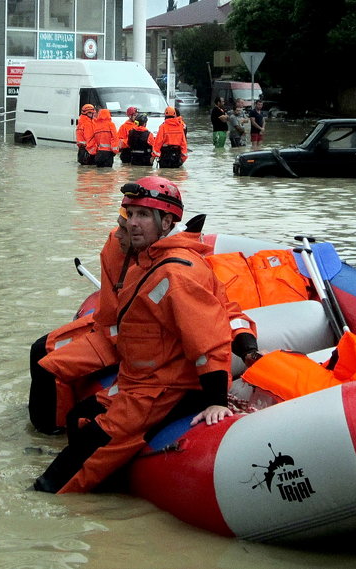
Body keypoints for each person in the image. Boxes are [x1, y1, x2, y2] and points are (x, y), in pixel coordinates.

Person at [34, 177, 234, 493]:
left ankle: (49, 496)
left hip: (164, 389)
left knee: (53, 482)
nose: (134, 223)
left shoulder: (176, 271)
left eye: (144, 215)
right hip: (136, 380)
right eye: (131, 214)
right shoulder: (146, 259)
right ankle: (116, 484)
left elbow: (208, 339)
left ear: (167, 222)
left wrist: (216, 401)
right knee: (78, 417)